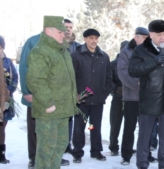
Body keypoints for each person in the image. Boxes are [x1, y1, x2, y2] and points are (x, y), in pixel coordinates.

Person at [128, 20, 164, 169]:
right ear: (151, 34)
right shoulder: (141, 50)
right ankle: (142, 163)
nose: (163, 37)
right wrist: (154, 61)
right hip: (149, 100)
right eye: (159, 34)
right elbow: (133, 70)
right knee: (145, 136)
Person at [26, 15, 78, 169]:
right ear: (48, 30)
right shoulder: (40, 51)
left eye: (64, 32)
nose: (64, 34)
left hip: (63, 109)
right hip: (49, 110)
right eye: (60, 32)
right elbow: (35, 80)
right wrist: (48, 103)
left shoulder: (61, 50)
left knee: (60, 145)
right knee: (46, 150)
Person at [71, 28, 112, 163]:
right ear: (85, 39)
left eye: (96, 38)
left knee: (94, 126)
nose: (94, 41)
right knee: (79, 128)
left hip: (98, 100)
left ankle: (96, 151)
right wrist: (76, 94)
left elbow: (109, 77)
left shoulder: (104, 57)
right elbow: (72, 77)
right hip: (81, 101)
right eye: (91, 38)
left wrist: (104, 94)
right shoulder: (76, 55)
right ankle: (77, 153)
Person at [118, 27, 157, 165]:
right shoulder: (126, 53)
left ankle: (146, 154)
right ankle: (126, 155)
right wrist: (141, 85)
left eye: (149, 38)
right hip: (131, 97)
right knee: (129, 127)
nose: (147, 41)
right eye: (144, 38)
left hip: (148, 98)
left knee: (146, 128)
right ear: (136, 38)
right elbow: (123, 74)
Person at [19, 32, 41, 169]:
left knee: (52, 128)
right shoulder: (33, 42)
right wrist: (26, 91)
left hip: (54, 96)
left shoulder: (60, 42)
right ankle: (33, 157)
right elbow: (23, 67)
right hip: (35, 94)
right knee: (34, 128)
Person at [63, 18, 81, 154]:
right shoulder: (56, 45)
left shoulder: (79, 47)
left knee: (71, 118)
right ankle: (61, 144)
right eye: (65, 27)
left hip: (75, 89)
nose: (68, 30)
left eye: (70, 27)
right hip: (60, 88)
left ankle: (68, 145)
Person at [108, 40, 128, 156]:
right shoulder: (113, 64)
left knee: (129, 125)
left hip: (130, 98)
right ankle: (113, 146)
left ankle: (127, 147)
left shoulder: (133, 63)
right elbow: (108, 80)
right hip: (117, 97)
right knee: (115, 124)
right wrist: (115, 89)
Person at [0, 35, 11, 164]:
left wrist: (9, 89)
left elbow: (14, 78)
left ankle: (0, 154)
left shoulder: (7, 62)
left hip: (5, 100)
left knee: (2, 125)